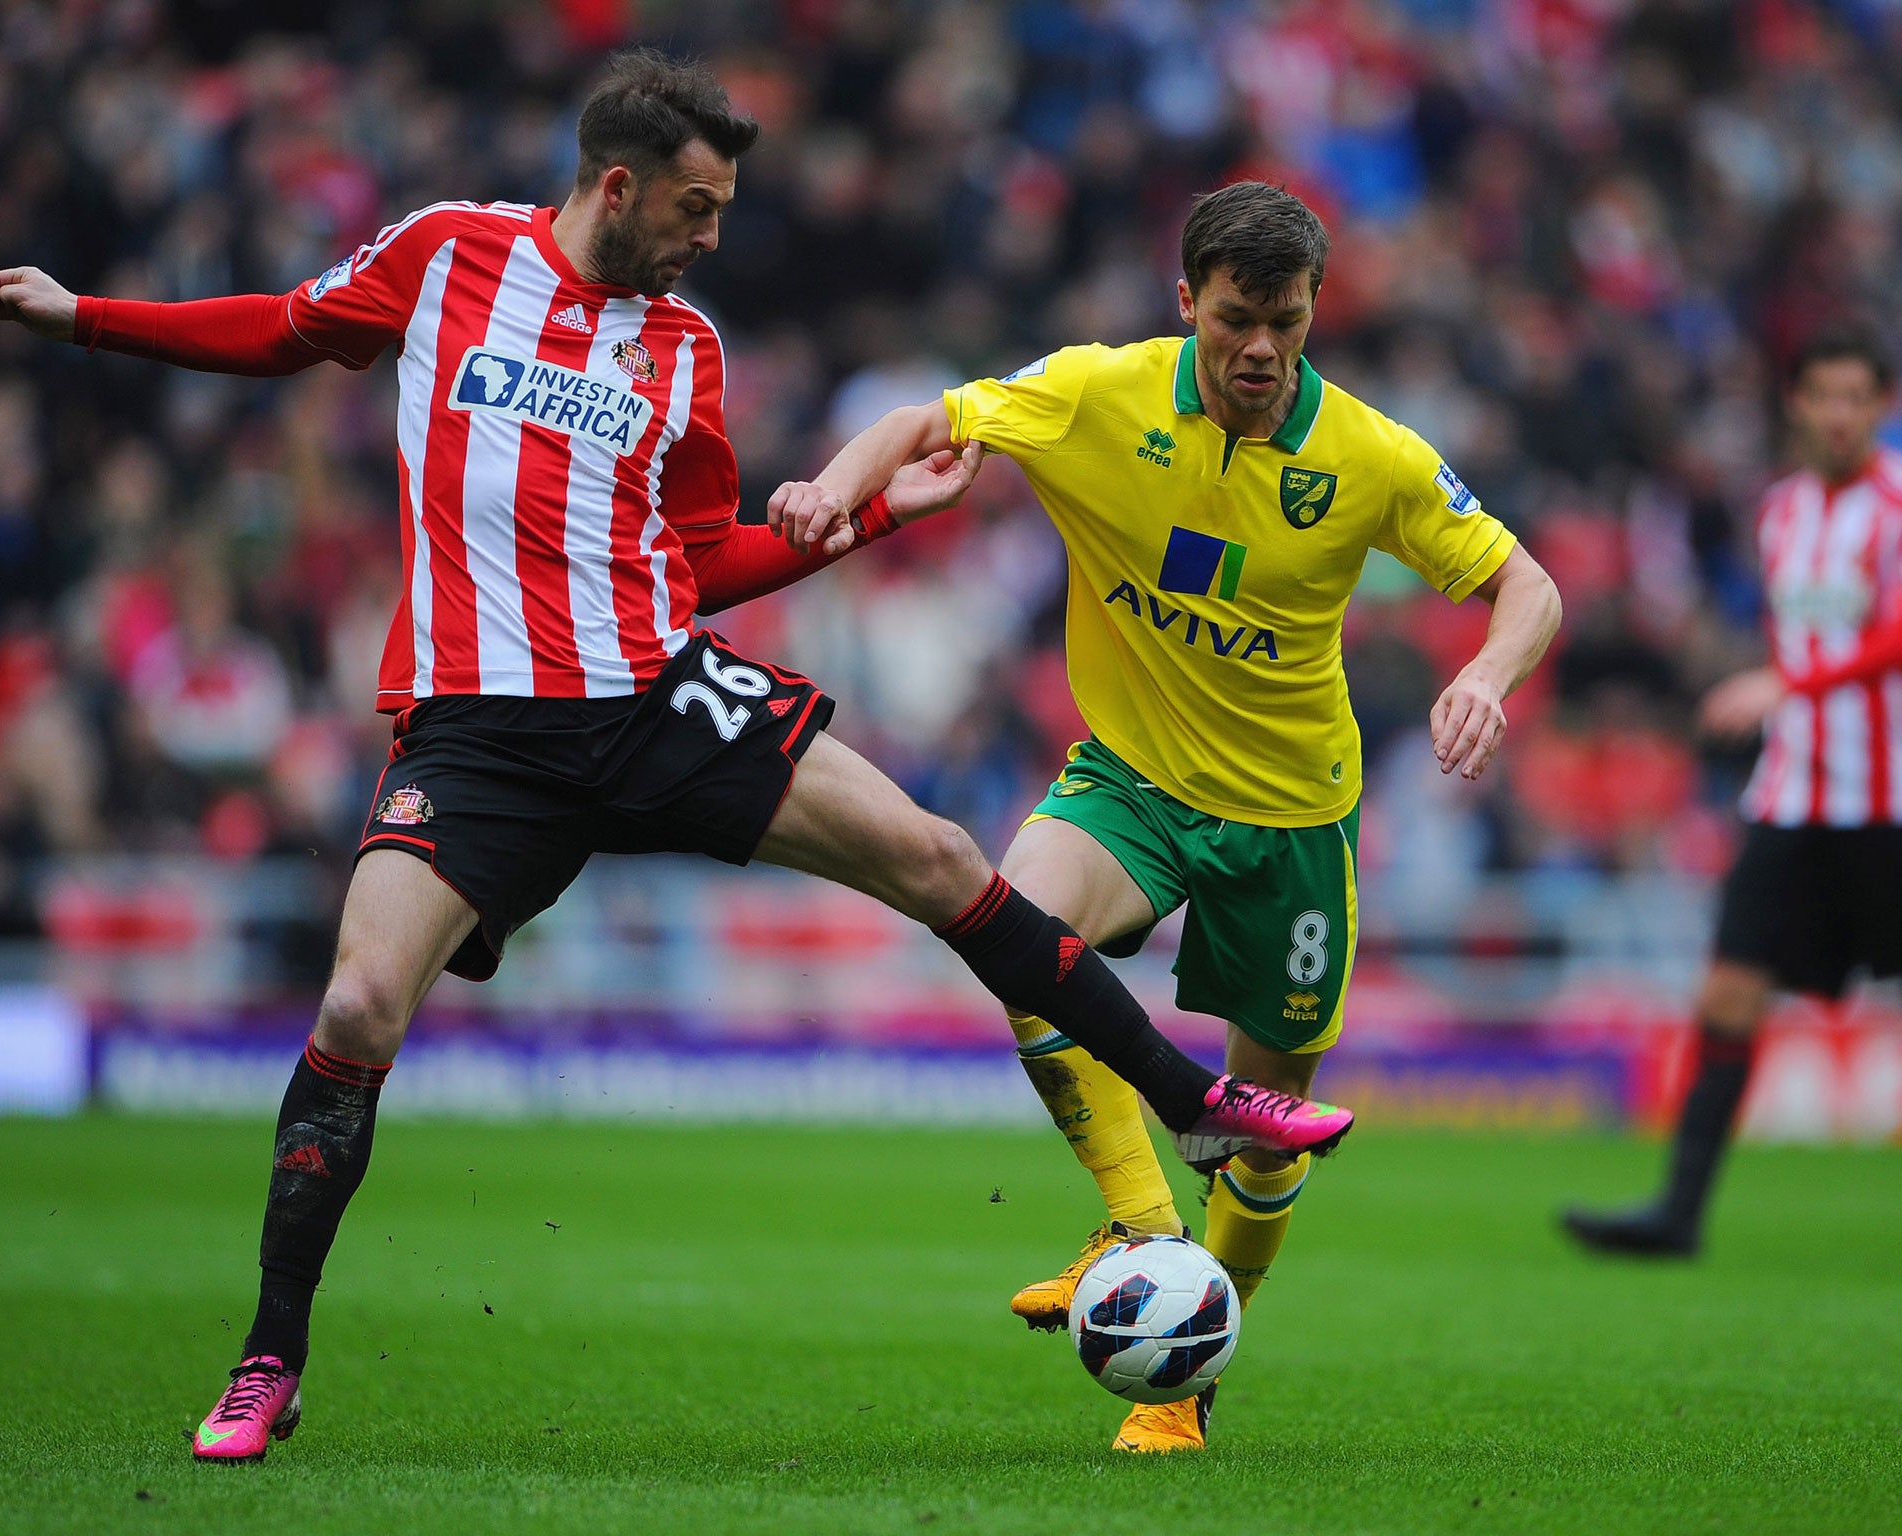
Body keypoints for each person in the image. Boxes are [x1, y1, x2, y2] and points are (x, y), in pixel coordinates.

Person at [0, 53, 1354, 1464]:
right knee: (360, 1001)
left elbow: (696, 564)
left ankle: (1197, 1104)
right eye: (697, 209)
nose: (711, 239)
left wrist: (877, 519)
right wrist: (85, 318)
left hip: (655, 690)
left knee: (942, 859)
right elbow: (279, 329)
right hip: (479, 726)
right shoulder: (446, 257)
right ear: (619, 185)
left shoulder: (683, 349)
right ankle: (271, 1358)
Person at [773, 181, 1562, 1453]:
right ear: (1183, 298)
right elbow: (923, 417)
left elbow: (1525, 584)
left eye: (1287, 323)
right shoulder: (1098, 392)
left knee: (1265, 1134)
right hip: (1130, 779)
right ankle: (1140, 1223)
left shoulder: (1369, 456)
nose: (1260, 348)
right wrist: (829, 484)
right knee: (1011, 926)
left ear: (1314, 312)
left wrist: (1481, 673)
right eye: (1237, 318)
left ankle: (1188, 1380)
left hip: (1290, 819)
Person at [1563, 328, 1902, 1259]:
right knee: (1727, 993)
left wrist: (1788, 687)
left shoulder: (1896, 503)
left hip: (1888, 802)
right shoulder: (1785, 510)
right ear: (1796, 403)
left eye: (1857, 397)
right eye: (1823, 395)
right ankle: (1678, 1213)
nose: (1839, 414)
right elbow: (1802, 643)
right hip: (1792, 795)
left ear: (1881, 404)